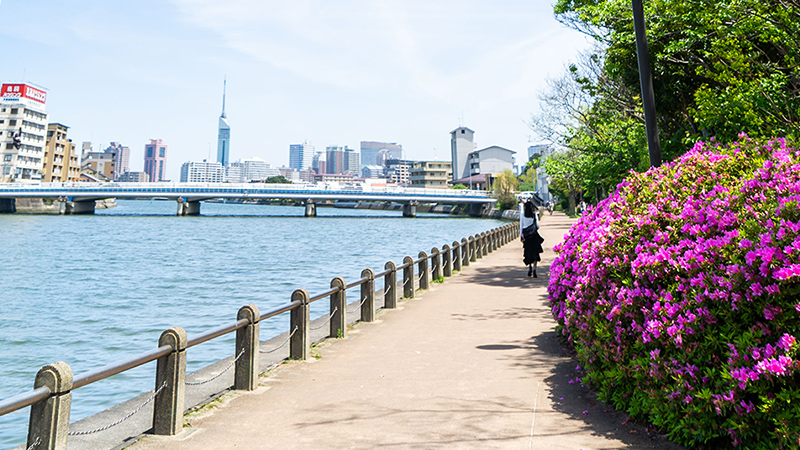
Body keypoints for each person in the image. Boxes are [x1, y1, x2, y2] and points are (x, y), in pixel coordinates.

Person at [519, 199, 544, 277]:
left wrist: (520, 236)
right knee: (535, 252)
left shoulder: (523, 215)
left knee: (528, 252)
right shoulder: (534, 215)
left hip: (526, 236)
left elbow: (521, 226)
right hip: (534, 235)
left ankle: (529, 267)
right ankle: (534, 269)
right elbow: (537, 226)